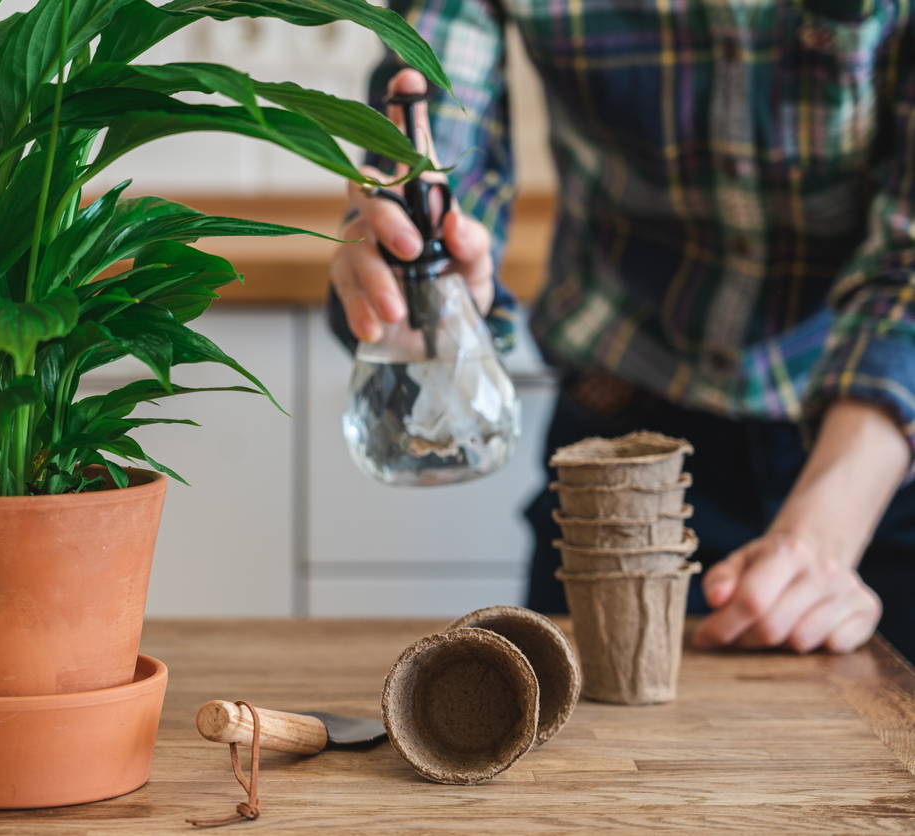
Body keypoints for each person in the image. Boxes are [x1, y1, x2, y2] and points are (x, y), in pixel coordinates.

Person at [328, 0, 915, 661]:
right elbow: (431, 110)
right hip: (618, 437)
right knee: (576, 748)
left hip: (876, 452)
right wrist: (409, 239)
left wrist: (823, 532)